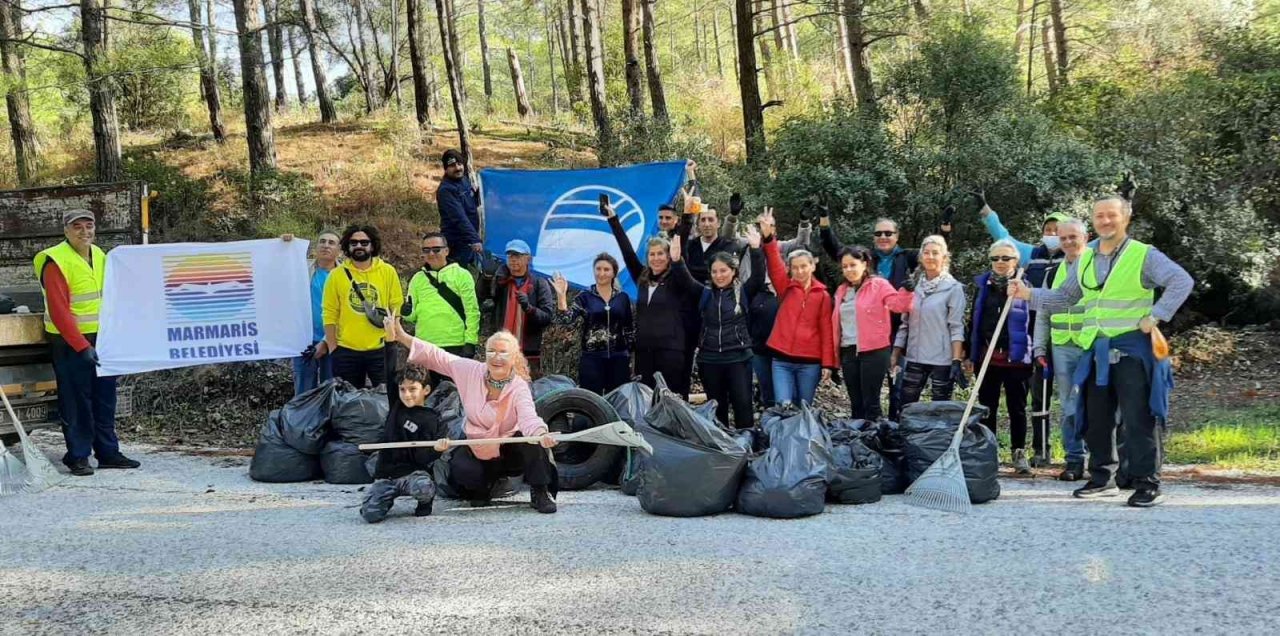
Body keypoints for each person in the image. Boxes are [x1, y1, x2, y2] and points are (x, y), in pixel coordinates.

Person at [1010, 196, 1193, 508]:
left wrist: (1157, 315)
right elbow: (1066, 296)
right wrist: (1029, 294)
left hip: (1132, 347)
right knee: (1096, 417)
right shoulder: (1086, 256)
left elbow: (1181, 281)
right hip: (1095, 349)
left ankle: (1148, 483)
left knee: (1138, 418)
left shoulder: (1143, 255)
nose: (1105, 221)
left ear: (1126, 218)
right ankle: (1101, 479)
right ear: (1093, 221)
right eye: (1099, 216)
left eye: (1112, 215)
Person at [387, 318, 560, 513]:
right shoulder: (470, 370)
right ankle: (481, 488)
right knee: (462, 469)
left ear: (513, 358)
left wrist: (540, 432)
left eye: (503, 352)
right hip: (478, 447)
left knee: (532, 443)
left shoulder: (519, 386)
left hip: (510, 449)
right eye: (491, 351)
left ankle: (540, 490)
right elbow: (437, 356)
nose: (496, 357)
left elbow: (528, 416)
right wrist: (402, 336)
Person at [33, 209, 138, 476]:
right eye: (77, 227)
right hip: (70, 342)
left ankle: (108, 452)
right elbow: (59, 311)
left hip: (102, 338)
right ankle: (78, 456)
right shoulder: (55, 260)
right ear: (66, 231)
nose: (84, 231)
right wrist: (81, 346)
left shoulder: (101, 256)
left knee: (105, 398)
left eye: (88, 226)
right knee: (77, 400)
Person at [820, 210, 952, 418]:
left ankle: (892, 431)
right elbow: (837, 250)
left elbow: (931, 251)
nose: (883, 237)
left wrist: (944, 229)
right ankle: (863, 439)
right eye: (879, 234)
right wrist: (825, 223)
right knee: (858, 400)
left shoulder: (903, 258)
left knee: (897, 390)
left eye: (888, 233)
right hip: (857, 341)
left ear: (897, 236)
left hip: (894, 333)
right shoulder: (846, 284)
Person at [976, 192, 1068, 466]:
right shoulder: (1031, 254)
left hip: (1064, 333)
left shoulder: (1078, 255)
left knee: (1063, 398)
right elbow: (1001, 236)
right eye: (1048, 230)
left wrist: (1127, 206)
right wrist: (985, 209)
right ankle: (1039, 452)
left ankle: (1076, 452)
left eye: (1057, 230)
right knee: (1035, 397)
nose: (1052, 234)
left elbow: (1108, 240)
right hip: (1033, 336)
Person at [674, 226, 766, 428]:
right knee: (717, 408)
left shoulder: (743, 292)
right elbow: (685, 279)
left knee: (743, 405)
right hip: (709, 359)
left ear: (733, 271)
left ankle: (746, 445)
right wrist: (677, 259)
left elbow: (758, 278)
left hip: (739, 358)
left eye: (723, 270)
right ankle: (723, 449)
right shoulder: (705, 293)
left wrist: (756, 249)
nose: (719, 275)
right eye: (715, 271)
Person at [606, 205, 700, 397]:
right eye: (652, 254)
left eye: (660, 254)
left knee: (671, 401)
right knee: (647, 401)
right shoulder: (641, 277)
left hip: (671, 351)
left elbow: (680, 246)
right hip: (644, 352)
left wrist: (688, 216)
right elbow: (627, 252)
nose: (656, 258)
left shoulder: (676, 279)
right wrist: (613, 219)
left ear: (668, 257)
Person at [967, 240, 1036, 474]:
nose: (999, 263)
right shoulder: (983, 286)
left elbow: (1035, 322)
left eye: (1005, 258)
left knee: (1017, 407)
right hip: (988, 358)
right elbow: (974, 321)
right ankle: (990, 451)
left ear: (1015, 261)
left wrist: (1037, 351)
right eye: (995, 258)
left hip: (1016, 358)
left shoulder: (1025, 285)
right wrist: (970, 352)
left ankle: (1018, 452)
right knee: (988, 407)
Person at [758, 209, 836, 407]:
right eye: (795, 267)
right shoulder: (786, 288)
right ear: (790, 270)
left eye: (804, 266)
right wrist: (768, 237)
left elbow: (827, 331)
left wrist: (828, 363)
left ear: (812, 266)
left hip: (809, 362)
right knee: (783, 405)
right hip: (781, 360)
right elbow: (775, 263)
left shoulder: (823, 295)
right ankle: (783, 438)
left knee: (804, 407)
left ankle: (803, 439)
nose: (800, 271)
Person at [1032, 217, 1091, 481]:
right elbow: (1043, 312)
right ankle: (1075, 460)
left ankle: (1101, 460)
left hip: (1092, 345)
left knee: (1099, 405)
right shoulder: (1052, 273)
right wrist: (1039, 348)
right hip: (1062, 347)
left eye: (1072, 237)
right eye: (1063, 238)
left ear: (1085, 238)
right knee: (1069, 406)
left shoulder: (1095, 266)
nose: (1067, 242)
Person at [831, 245, 914, 420]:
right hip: (848, 350)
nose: (848, 270)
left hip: (874, 351)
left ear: (865, 264)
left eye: (852, 265)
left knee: (871, 402)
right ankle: (858, 440)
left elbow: (898, 306)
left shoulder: (879, 285)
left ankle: (875, 440)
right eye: (845, 266)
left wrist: (907, 290)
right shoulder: (842, 290)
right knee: (856, 402)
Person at [360, 365, 446, 523]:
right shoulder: (396, 406)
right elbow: (389, 367)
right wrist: (391, 342)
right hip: (387, 475)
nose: (406, 395)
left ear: (426, 390)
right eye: (402, 389)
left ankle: (425, 503)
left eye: (413, 389)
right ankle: (383, 499)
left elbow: (423, 458)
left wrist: (436, 450)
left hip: (413, 474)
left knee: (424, 488)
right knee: (370, 515)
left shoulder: (432, 419)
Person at [322, 224, 403, 388]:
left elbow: (396, 306)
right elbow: (329, 313)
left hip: (381, 348)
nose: (359, 246)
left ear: (372, 245)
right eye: (354, 243)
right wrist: (333, 348)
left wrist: (392, 340)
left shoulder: (388, 271)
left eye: (364, 242)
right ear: (347, 246)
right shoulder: (336, 275)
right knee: (347, 403)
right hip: (346, 350)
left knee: (387, 398)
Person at [892, 235, 967, 407]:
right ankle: (907, 434)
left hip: (942, 359)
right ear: (920, 257)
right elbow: (905, 323)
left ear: (944, 257)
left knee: (940, 409)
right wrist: (895, 353)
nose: (930, 257)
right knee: (905, 406)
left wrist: (956, 361)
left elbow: (956, 327)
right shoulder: (914, 286)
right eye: (926, 253)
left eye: (935, 253)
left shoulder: (953, 288)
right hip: (914, 356)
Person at [404, 232, 481, 385]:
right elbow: (412, 316)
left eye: (436, 249)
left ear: (446, 251)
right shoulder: (417, 279)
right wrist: (405, 312)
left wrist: (470, 342)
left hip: (455, 346)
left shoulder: (462, 275)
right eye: (426, 250)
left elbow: (472, 311)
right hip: (425, 346)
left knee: (453, 397)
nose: (431, 254)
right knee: (424, 396)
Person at [551, 254, 634, 396]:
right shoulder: (585, 297)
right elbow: (565, 319)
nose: (601, 273)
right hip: (592, 358)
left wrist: (630, 357)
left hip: (619, 358)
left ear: (614, 272)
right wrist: (561, 296)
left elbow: (629, 330)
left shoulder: (623, 298)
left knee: (618, 400)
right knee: (590, 400)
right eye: (598, 269)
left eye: (606, 269)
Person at [483, 239, 555, 377]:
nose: (513, 260)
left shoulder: (539, 282)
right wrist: (486, 278)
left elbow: (547, 317)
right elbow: (483, 298)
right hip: (500, 350)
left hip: (528, 351)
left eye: (518, 256)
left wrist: (529, 308)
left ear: (528, 258)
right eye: (510, 256)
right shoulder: (500, 280)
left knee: (526, 392)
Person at [293, 231, 339, 395]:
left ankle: (329, 421)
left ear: (339, 250)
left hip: (334, 341)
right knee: (303, 390)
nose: (326, 245)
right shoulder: (301, 269)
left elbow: (345, 312)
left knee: (332, 389)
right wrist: (284, 245)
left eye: (331, 243)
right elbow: (276, 268)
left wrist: (326, 341)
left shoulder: (346, 276)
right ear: (315, 247)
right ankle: (303, 420)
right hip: (303, 341)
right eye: (322, 241)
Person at [436, 149, 482, 268]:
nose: (457, 168)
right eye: (452, 166)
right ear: (445, 169)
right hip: (456, 241)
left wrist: (482, 193)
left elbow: (471, 204)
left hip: (468, 239)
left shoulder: (464, 180)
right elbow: (459, 217)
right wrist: (474, 239)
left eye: (459, 164)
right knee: (456, 276)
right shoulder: (446, 190)